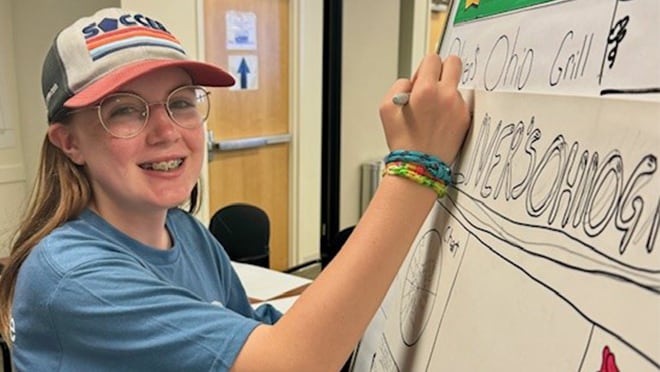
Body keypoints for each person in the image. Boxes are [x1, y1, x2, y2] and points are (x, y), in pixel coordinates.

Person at [0, 7, 470, 372]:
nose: (167, 132)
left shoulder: (185, 232)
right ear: (70, 142)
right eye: (124, 110)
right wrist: (416, 167)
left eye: (181, 102)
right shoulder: (72, 276)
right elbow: (291, 364)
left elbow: (248, 336)